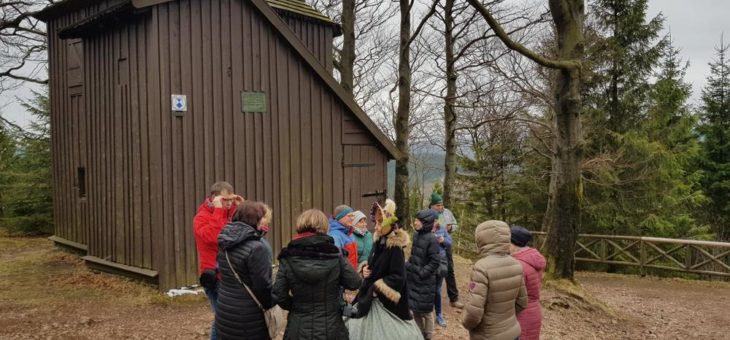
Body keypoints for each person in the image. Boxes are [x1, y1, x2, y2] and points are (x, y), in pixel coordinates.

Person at [273, 209, 362, 340]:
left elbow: (279, 294)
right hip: (332, 328)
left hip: (298, 327)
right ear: (324, 227)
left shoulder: (288, 257)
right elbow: (354, 282)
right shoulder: (335, 255)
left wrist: (296, 306)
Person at [345, 200, 422, 339]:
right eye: (375, 223)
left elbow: (398, 277)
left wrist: (377, 286)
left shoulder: (395, 248)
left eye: (380, 224)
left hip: (385, 303)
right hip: (369, 295)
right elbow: (372, 263)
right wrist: (365, 269)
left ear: (389, 226)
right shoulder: (378, 242)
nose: (376, 227)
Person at [461, 220, 528, 340]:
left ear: (481, 240)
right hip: (513, 333)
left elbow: (473, 314)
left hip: (488, 335)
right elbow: (522, 303)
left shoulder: (481, 267)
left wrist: (466, 323)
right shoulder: (516, 265)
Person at [193, 181, 243, 340]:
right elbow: (215, 238)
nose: (228, 203)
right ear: (214, 198)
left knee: (232, 317)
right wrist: (218, 211)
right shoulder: (201, 218)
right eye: (224, 200)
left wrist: (240, 208)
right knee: (222, 317)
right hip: (214, 276)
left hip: (230, 274)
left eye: (230, 200)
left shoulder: (231, 213)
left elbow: (247, 230)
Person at [215, 201, 273, 340]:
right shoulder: (257, 247)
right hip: (248, 316)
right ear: (255, 220)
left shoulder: (225, 239)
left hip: (225, 308)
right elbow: (262, 286)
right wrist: (272, 302)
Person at [407, 209, 442, 340]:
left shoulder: (432, 239)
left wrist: (422, 273)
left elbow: (435, 261)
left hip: (425, 280)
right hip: (414, 278)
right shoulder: (416, 235)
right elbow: (413, 255)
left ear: (425, 222)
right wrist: (409, 267)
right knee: (415, 309)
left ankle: (428, 336)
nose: (415, 222)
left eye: (418, 220)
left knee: (427, 312)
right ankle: (419, 334)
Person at [510, 225, 546, 340]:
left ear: (513, 242)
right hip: (533, 312)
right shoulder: (532, 258)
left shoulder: (518, 265)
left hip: (521, 315)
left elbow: (513, 296)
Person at [429, 192, 464, 309]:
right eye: (438, 205)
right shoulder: (427, 214)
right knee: (429, 271)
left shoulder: (447, 213)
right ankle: (428, 299)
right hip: (431, 247)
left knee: (449, 270)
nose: (441, 207)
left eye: (442, 205)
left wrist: (451, 227)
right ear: (432, 205)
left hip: (446, 246)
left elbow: (455, 224)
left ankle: (454, 299)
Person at [432, 212, 451, 328]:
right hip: (429, 262)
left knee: (437, 289)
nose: (435, 222)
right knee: (428, 287)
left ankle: (439, 315)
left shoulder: (442, 229)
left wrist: (443, 240)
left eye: (436, 220)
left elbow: (449, 244)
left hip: (440, 263)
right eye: (433, 220)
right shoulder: (426, 229)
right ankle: (426, 313)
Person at [329, 205, 359, 269]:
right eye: (349, 216)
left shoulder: (349, 232)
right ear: (340, 217)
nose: (352, 218)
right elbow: (336, 261)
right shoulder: (335, 236)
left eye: (353, 215)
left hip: (352, 273)